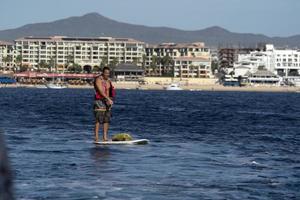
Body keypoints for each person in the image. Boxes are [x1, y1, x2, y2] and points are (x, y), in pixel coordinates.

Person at [93, 67, 115, 142]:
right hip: (99, 101)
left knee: (106, 119)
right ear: (103, 72)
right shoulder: (98, 79)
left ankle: (105, 137)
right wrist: (108, 99)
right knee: (98, 119)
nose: (107, 74)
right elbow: (101, 91)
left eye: (108, 73)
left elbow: (109, 91)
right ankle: (96, 137)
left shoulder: (108, 81)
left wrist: (110, 100)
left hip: (107, 101)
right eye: (106, 73)